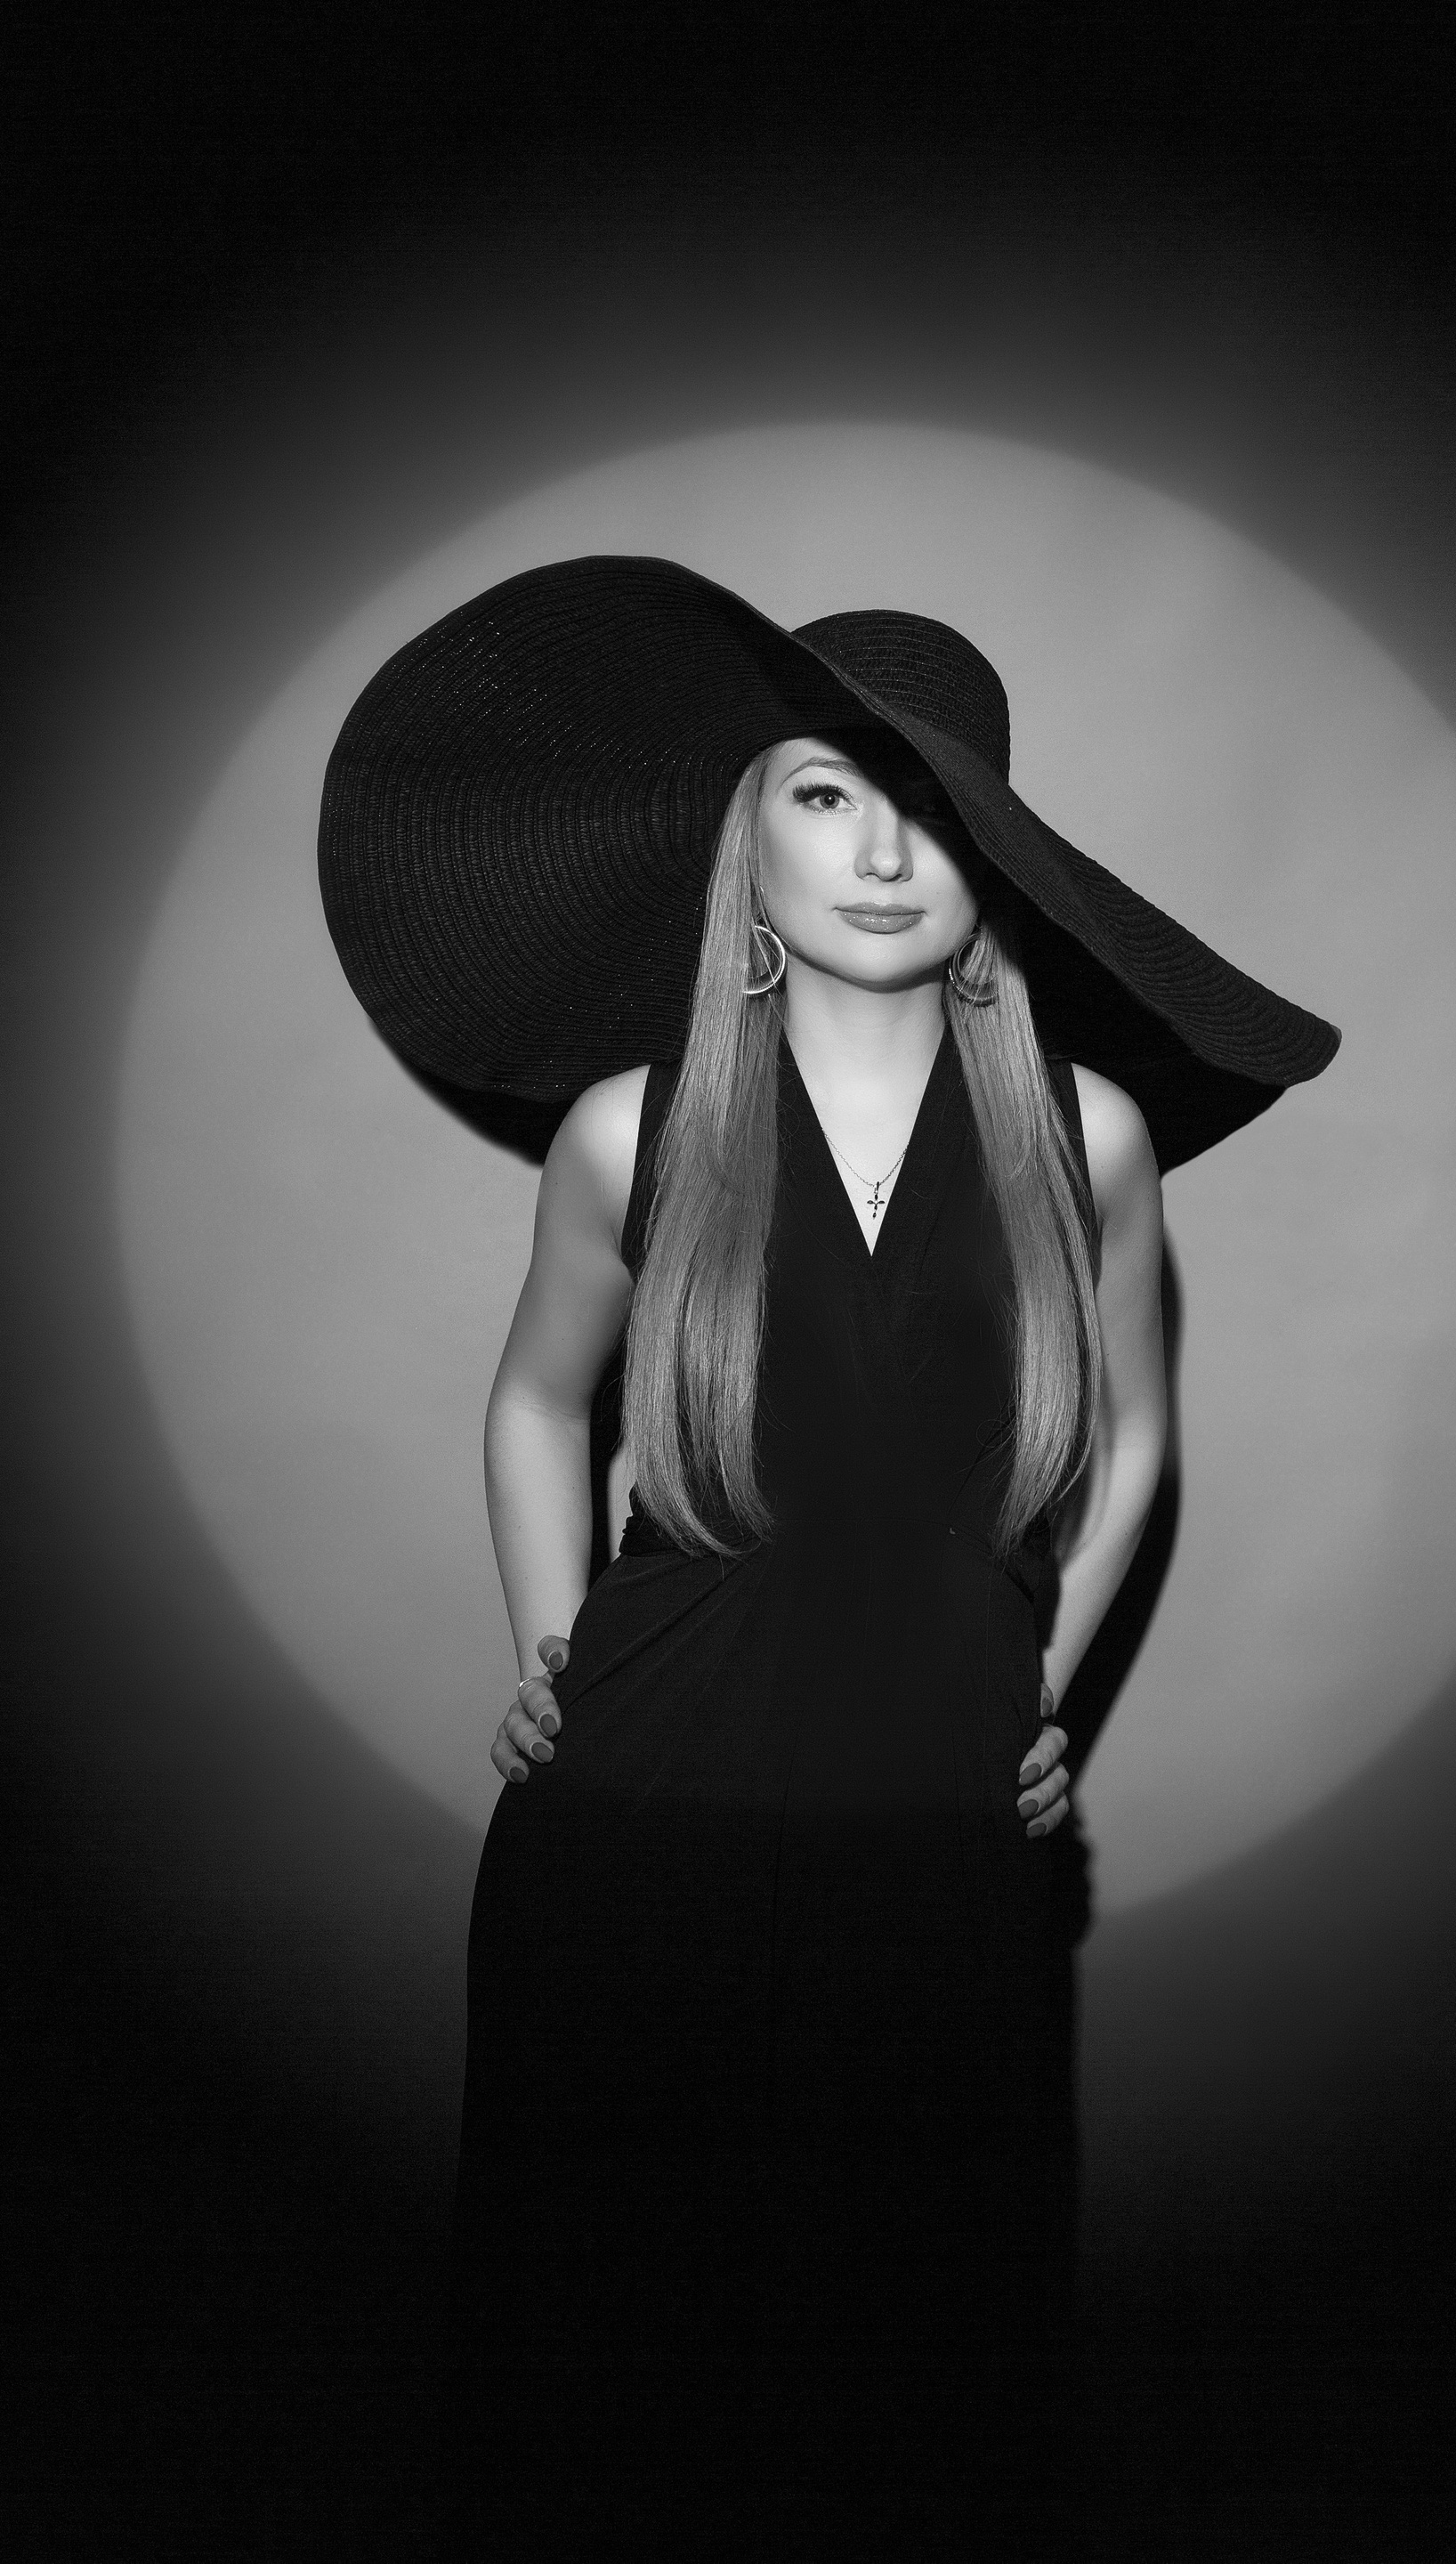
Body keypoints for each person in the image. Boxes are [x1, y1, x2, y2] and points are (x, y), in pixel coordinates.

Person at [318, 557, 1339, 2562]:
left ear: (998, 862)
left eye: (934, 810)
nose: (883, 853)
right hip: (637, 1823)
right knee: (612, 2360)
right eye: (825, 793)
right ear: (745, 844)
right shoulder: (629, 1129)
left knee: (918, 2359)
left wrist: (1037, 1691)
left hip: (936, 1826)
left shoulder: (1089, 1135)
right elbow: (535, 1403)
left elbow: (1136, 1436)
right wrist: (548, 1650)